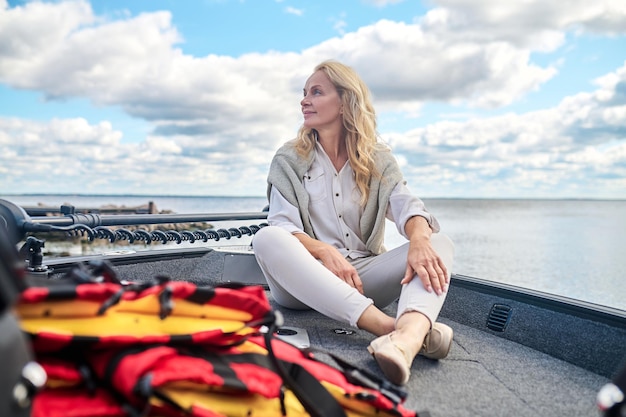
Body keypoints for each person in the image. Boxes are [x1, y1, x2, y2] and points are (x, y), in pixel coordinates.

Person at [252, 60, 455, 385]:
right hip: (302, 284)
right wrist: (323, 252)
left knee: (438, 242)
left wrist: (418, 240)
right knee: (266, 238)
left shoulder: (377, 160)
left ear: (346, 102)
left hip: (363, 280)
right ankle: (397, 331)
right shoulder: (288, 159)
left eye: (316, 92)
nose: (304, 100)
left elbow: (409, 209)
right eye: (304, 93)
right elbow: (282, 225)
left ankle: (406, 339)